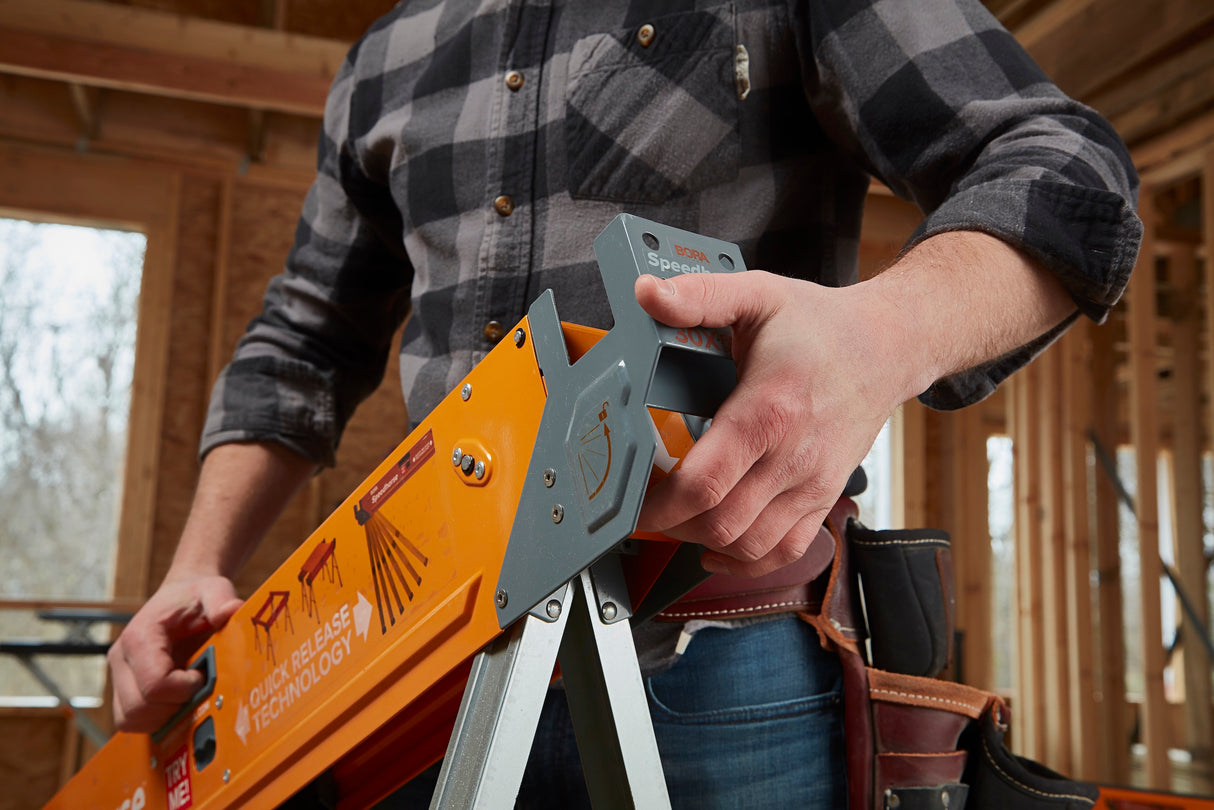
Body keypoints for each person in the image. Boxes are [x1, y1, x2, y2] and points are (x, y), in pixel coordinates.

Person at [106, 0, 1142, 806]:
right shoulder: (385, 53)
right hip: (435, 671)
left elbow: (1064, 169)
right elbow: (303, 338)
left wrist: (883, 335)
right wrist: (196, 566)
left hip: (726, 661)